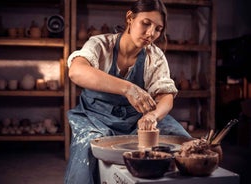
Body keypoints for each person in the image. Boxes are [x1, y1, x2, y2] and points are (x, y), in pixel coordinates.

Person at [64, 0, 191, 183]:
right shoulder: (100, 44)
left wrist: (153, 115)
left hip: (136, 120)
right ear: (130, 18)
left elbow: (166, 96)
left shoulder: (154, 56)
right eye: (146, 23)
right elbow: (76, 72)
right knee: (87, 150)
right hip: (95, 118)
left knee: (184, 144)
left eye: (158, 29)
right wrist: (127, 88)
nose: (151, 33)